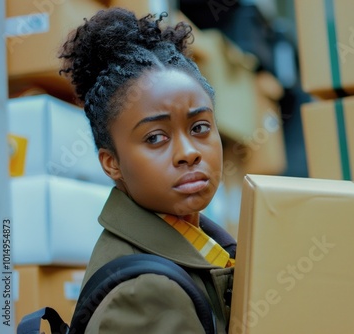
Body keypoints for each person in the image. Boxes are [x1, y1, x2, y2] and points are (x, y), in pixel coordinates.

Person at [59, 7, 236, 334]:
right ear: (112, 163)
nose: (188, 153)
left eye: (199, 127)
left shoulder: (201, 239)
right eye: (155, 137)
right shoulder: (146, 294)